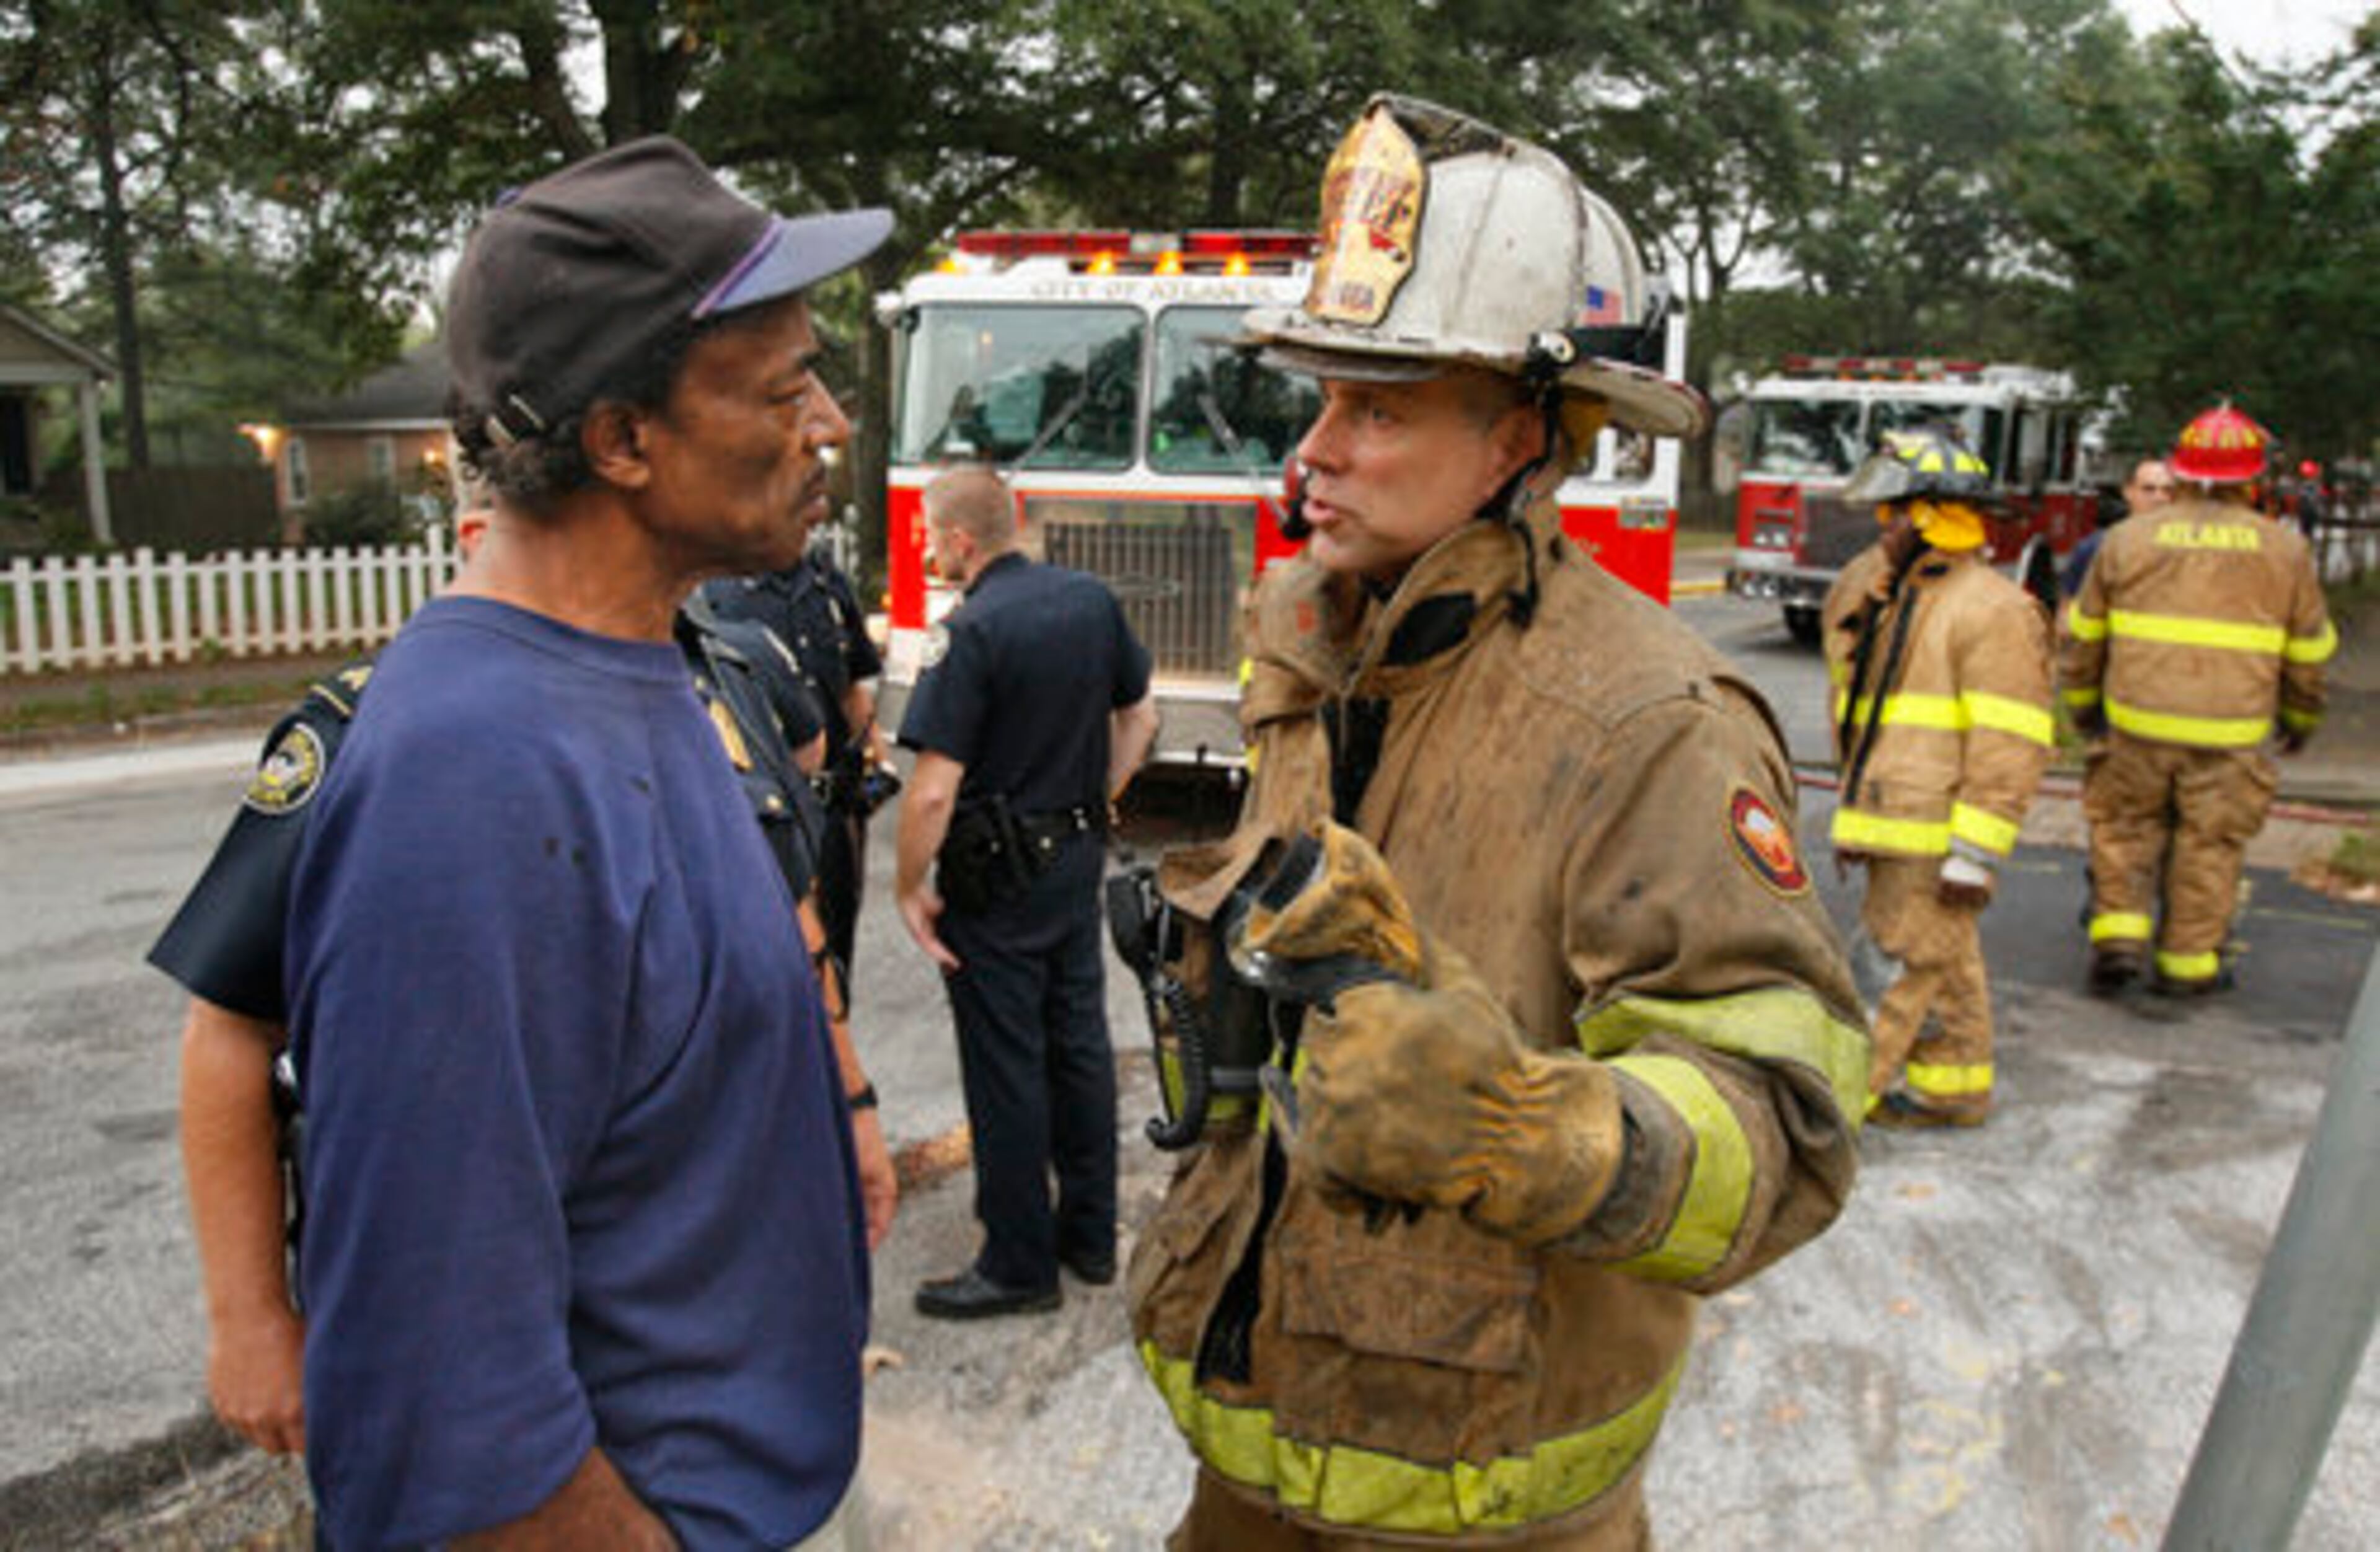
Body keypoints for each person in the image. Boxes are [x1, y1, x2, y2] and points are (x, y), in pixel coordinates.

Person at [1126, 95, 1869, 1548]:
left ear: (1521, 437)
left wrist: (1527, 1131)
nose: (1315, 451)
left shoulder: (1649, 716)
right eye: (1321, 397)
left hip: (1485, 1493)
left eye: (1379, 405)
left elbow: (1782, 1127)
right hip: (1254, 1450)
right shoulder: (1309, 636)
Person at [277, 136, 894, 1549]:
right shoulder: (473, 776)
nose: (831, 427)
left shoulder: (637, 665)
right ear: (621, 439)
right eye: (784, 385)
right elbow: (446, 1410)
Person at [156, 508, 898, 1465]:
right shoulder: (390, 727)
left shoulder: (736, 680)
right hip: (489, 1308)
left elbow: (792, 916)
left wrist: (853, 1103)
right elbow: (229, 1027)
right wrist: (249, 1316)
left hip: (718, 1292)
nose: (817, 434)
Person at [892, 463, 1158, 1319]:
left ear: (962, 542)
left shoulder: (970, 632)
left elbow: (933, 790)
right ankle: (1089, 1237)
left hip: (997, 882)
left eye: (933, 535)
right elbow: (1142, 718)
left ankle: (1017, 1263)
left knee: (1006, 1063)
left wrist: (906, 887)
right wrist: (1100, 803)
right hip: (1074, 861)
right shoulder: (1087, 600)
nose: (930, 549)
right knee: (1077, 1042)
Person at [1822, 426, 2054, 1127]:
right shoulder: (1902, 598)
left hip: (1936, 832)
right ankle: (1949, 1088)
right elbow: (1866, 716)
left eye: (1888, 518)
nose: (1878, 533)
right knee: (1944, 957)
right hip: (1896, 821)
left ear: (1924, 518)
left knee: (1889, 971)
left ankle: (1829, 1118)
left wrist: (1976, 854)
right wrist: (1854, 814)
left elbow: (2010, 743)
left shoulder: (1993, 609)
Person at [2063, 403, 2335, 997]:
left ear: (2179, 472)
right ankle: (2188, 968)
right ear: (2254, 479)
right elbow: (2307, 654)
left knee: (2125, 832)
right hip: (2231, 735)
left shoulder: (2126, 540)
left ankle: (2119, 943)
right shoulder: (2284, 551)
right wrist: (2299, 719)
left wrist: (2084, 710)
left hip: (2135, 727)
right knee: (2209, 847)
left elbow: (2083, 640)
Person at [703, 484, 894, 987]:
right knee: (787, 959)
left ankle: (838, 1056)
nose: (812, 522)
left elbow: (852, 684)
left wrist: (879, 761)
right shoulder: (717, 591)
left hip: (834, 806)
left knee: (838, 947)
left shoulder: (827, 581)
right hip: (772, 812)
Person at [2062, 457, 2173, 598]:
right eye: (2148, 489)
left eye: (2168, 490)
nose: (2160, 498)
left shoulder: (2193, 551)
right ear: (2128, 492)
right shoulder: (2097, 548)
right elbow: (2068, 610)